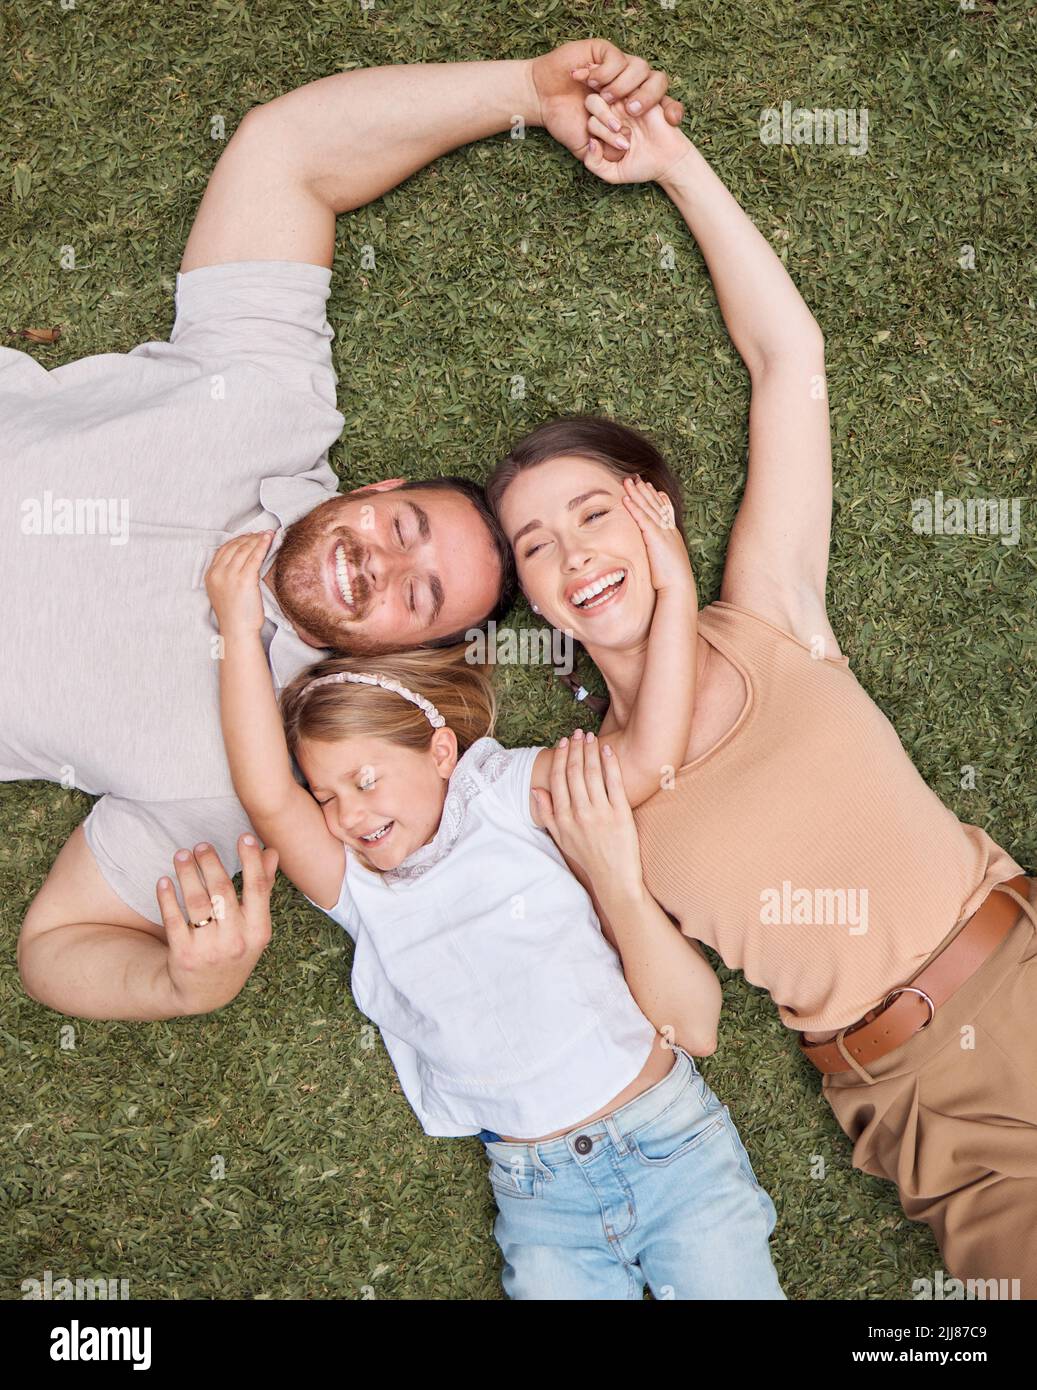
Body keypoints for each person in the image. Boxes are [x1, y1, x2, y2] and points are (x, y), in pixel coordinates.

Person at [7, 40, 683, 1021]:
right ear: (377, 485)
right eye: (402, 526)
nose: (381, 563)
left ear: (406, 648)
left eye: (416, 595)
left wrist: (183, 979)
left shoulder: (252, 769)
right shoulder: (270, 406)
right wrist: (524, 93)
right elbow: (287, 154)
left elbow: (56, 946)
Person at [488, 89, 1037, 1295]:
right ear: (531, 599)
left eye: (594, 510)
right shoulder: (591, 792)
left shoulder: (768, 612)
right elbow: (685, 1019)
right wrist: (618, 879)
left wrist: (674, 162)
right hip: (923, 1097)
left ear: (658, 511)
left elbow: (787, 357)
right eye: (534, 546)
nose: (574, 554)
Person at [185, 487, 784, 1300]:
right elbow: (267, 796)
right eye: (328, 798)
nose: (350, 814)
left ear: (440, 751)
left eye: (363, 780)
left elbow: (646, 760)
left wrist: (674, 589)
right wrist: (238, 633)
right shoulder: (361, 891)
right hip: (541, 1198)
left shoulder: (498, 794)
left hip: (667, 1143)